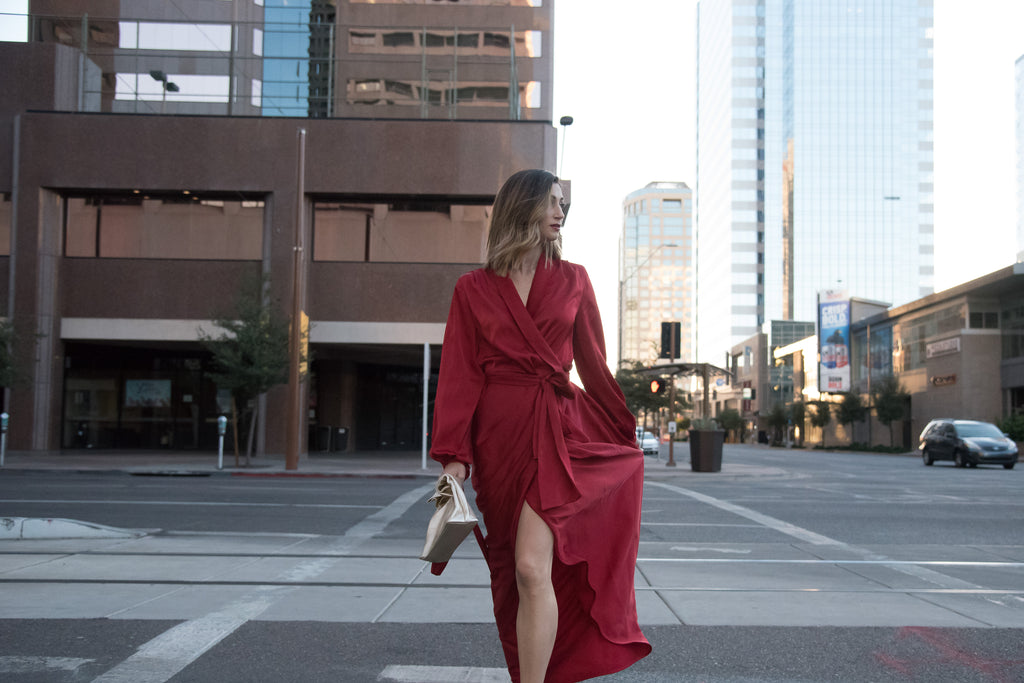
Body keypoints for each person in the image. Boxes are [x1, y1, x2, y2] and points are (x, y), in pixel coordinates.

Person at [430, 169, 651, 682]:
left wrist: (622, 431)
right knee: (516, 572)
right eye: (552, 202)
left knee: (532, 565)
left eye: (563, 205)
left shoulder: (574, 278)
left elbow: (593, 363)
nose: (560, 212)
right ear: (522, 206)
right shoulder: (472, 289)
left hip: (558, 431)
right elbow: (460, 374)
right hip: (498, 439)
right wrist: (453, 459)